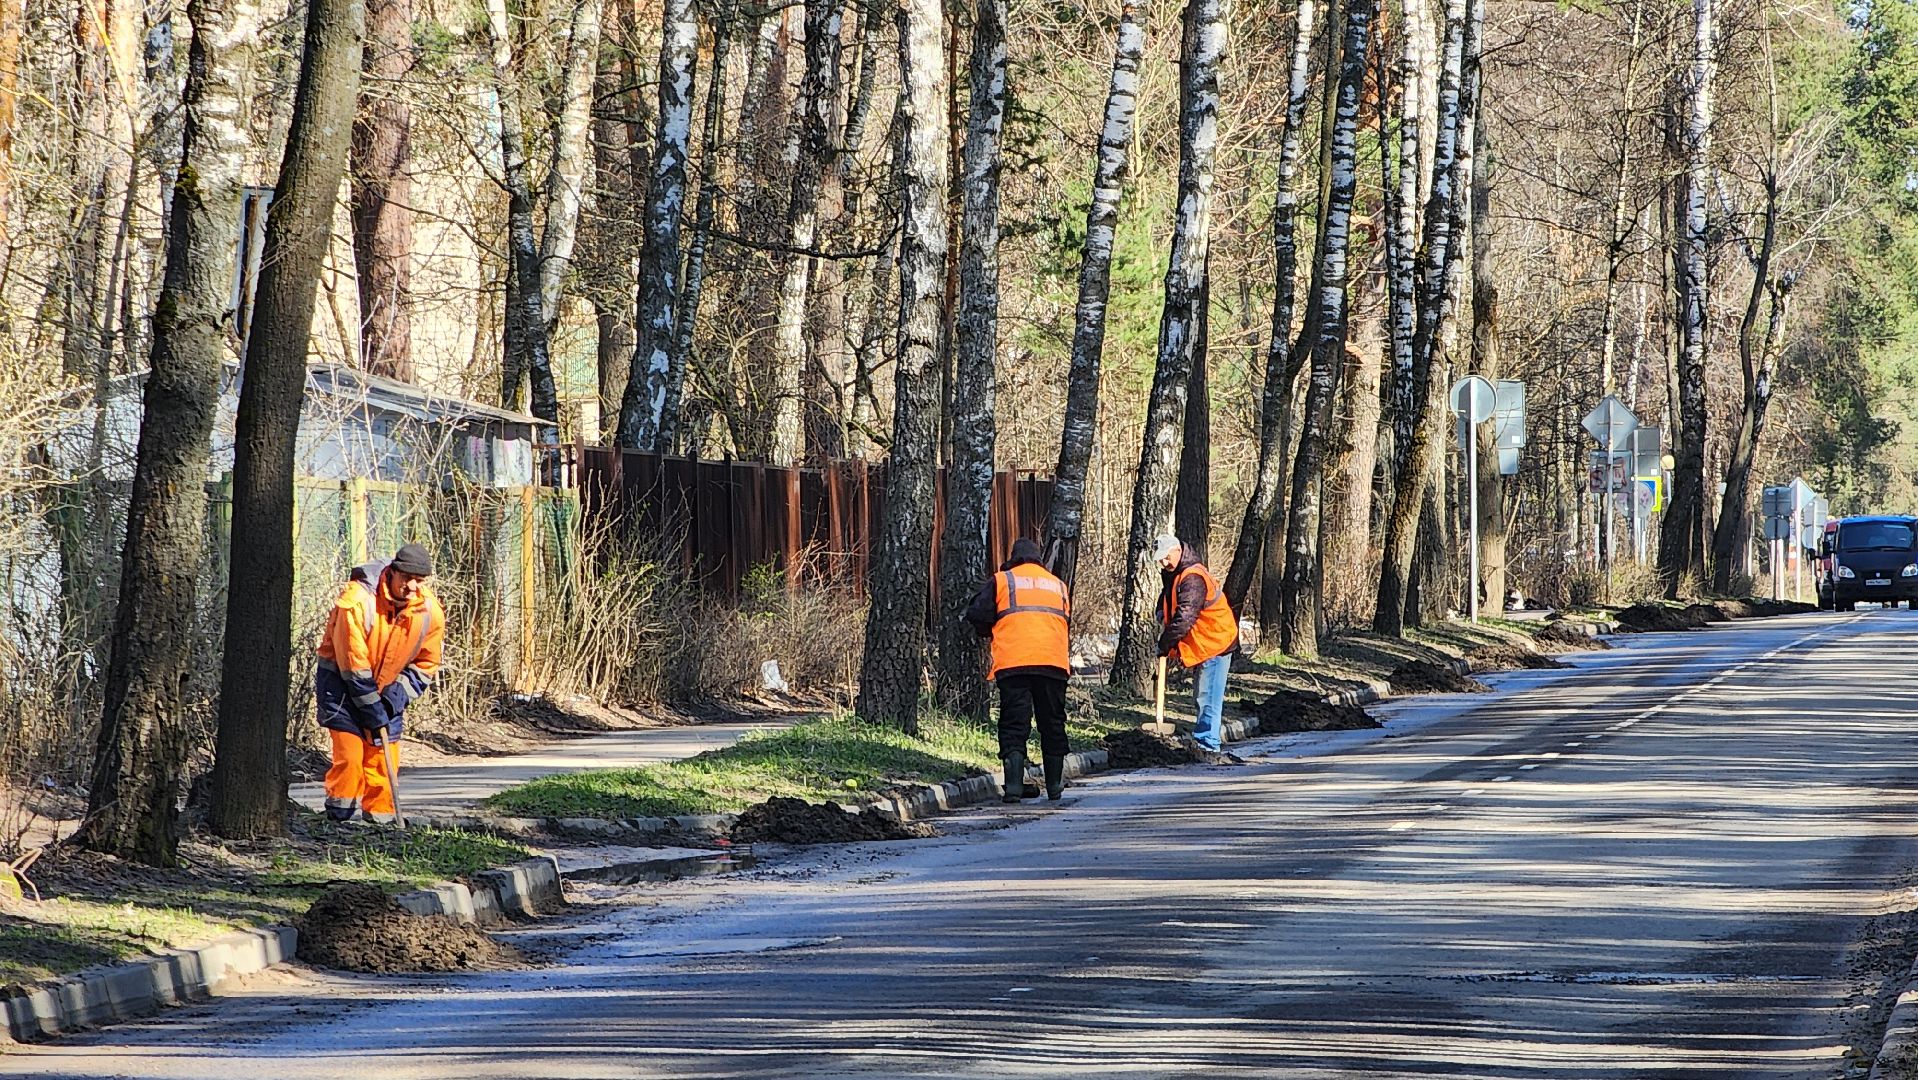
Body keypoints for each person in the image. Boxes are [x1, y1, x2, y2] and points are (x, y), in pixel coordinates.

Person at [315, 543, 445, 824]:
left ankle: (381, 823)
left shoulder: (429, 612)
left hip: (387, 692)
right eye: (406, 578)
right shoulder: (357, 600)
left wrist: (393, 699)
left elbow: (426, 665)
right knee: (350, 757)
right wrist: (373, 707)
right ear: (392, 572)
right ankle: (339, 820)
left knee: (383, 765)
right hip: (341, 687)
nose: (412, 586)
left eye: (419, 581)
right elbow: (353, 663)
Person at [965, 537, 1072, 803]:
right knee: (1052, 722)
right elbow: (1065, 620)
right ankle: (1055, 786)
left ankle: (1013, 787)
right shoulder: (1058, 585)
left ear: (1013, 558)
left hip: (1014, 663)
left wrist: (989, 631)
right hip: (1053, 663)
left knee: (1014, 723)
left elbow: (977, 613)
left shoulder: (1003, 580)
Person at [1153, 534, 1238, 753]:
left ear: (1177, 551)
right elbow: (1170, 596)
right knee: (1202, 693)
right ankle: (1204, 741)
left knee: (1207, 695)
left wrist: (1164, 644)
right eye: (1160, 560)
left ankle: (1208, 745)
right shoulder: (1176, 573)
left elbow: (1185, 618)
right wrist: (1161, 610)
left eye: (1165, 558)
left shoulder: (1193, 578)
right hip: (1203, 641)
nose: (1163, 563)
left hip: (1215, 640)